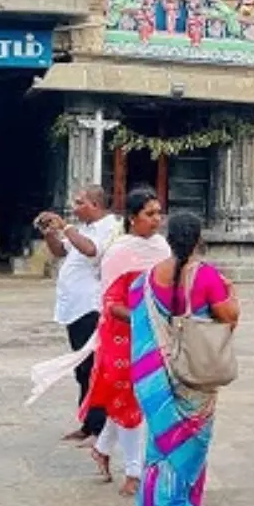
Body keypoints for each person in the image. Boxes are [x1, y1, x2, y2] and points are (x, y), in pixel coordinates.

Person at [133, 212, 240, 506]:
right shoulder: (206, 276)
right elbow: (228, 318)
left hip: (159, 374)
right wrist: (232, 294)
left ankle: (152, 499)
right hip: (195, 371)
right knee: (191, 436)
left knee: (160, 435)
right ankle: (175, 504)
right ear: (199, 240)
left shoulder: (150, 277)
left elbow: (137, 319)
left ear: (168, 239)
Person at [81, 188, 168, 489]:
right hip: (121, 336)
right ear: (133, 219)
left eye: (158, 213)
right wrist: (141, 318)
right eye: (149, 214)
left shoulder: (162, 248)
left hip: (153, 334)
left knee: (136, 400)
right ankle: (134, 473)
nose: (156, 220)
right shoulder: (119, 252)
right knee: (128, 400)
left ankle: (102, 449)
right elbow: (109, 302)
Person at [41, 185, 121, 442]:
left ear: (95, 205)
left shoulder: (109, 227)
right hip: (74, 308)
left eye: (79, 203)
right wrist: (50, 233)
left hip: (91, 306)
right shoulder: (83, 228)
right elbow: (61, 251)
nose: (74, 208)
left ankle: (98, 426)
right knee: (82, 368)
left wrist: (65, 226)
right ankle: (88, 421)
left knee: (93, 367)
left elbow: (90, 250)